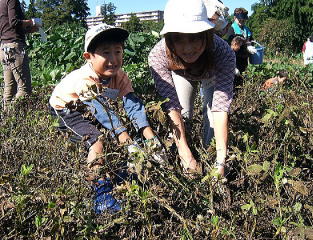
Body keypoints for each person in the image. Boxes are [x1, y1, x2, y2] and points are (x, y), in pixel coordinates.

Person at [49, 24, 165, 214]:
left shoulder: (120, 76)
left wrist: (151, 138)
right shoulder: (85, 78)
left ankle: (119, 175)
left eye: (117, 52)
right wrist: (126, 141)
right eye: (105, 53)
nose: (113, 59)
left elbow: (133, 105)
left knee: (121, 136)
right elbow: (102, 112)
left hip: (90, 107)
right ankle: (100, 195)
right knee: (96, 142)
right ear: (89, 57)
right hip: (66, 109)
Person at [148, 0, 235, 178]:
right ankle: (186, 156)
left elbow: (220, 109)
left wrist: (221, 163)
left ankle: (210, 156)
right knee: (183, 113)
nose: (188, 48)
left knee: (211, 117)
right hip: (181, 73)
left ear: (206, 34)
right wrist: (185, 155)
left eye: (195, 37)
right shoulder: (158, 56)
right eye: (178, 39)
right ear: (169, 39)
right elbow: (172, 107)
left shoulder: (222, 52)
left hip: (210, 73)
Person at [0, 0, 38, 110]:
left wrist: (28, 31)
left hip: (3, 48)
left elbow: (7, 28)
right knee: (25, 90)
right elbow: (14, 22)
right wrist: (31, 22)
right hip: (14, 49)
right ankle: (12, 115)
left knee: (9, 88)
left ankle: (5, 121)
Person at [226, 8, 255, 91]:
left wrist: (250, 46)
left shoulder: (247, 30)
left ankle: (240, 101)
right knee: (232, 84)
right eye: (240, 19)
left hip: (244, 61)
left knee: (241, 83)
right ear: (235, 18)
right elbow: (229, 47)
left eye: (243, 20)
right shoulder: (231, 30)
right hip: (234, 60)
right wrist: (233, 67)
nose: (242, 21)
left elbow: (251, 40)